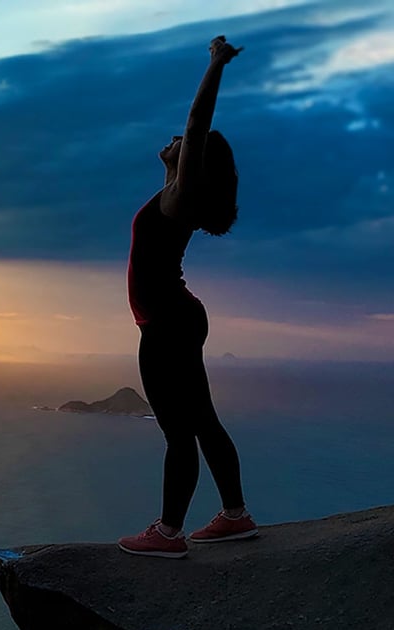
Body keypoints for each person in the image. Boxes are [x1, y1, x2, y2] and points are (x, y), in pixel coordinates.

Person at [118, 36, 257, 559]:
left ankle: (168, 534)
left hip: (166, 323)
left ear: (195, 162)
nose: (175, 137)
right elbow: (182, 149)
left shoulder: (180, 199)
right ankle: (235, 516)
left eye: (182, 141)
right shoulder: (171, 191)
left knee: (180, 431)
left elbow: (197, 123)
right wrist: (170, 160)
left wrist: (216, 63)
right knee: (202, 421)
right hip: (178, 316)